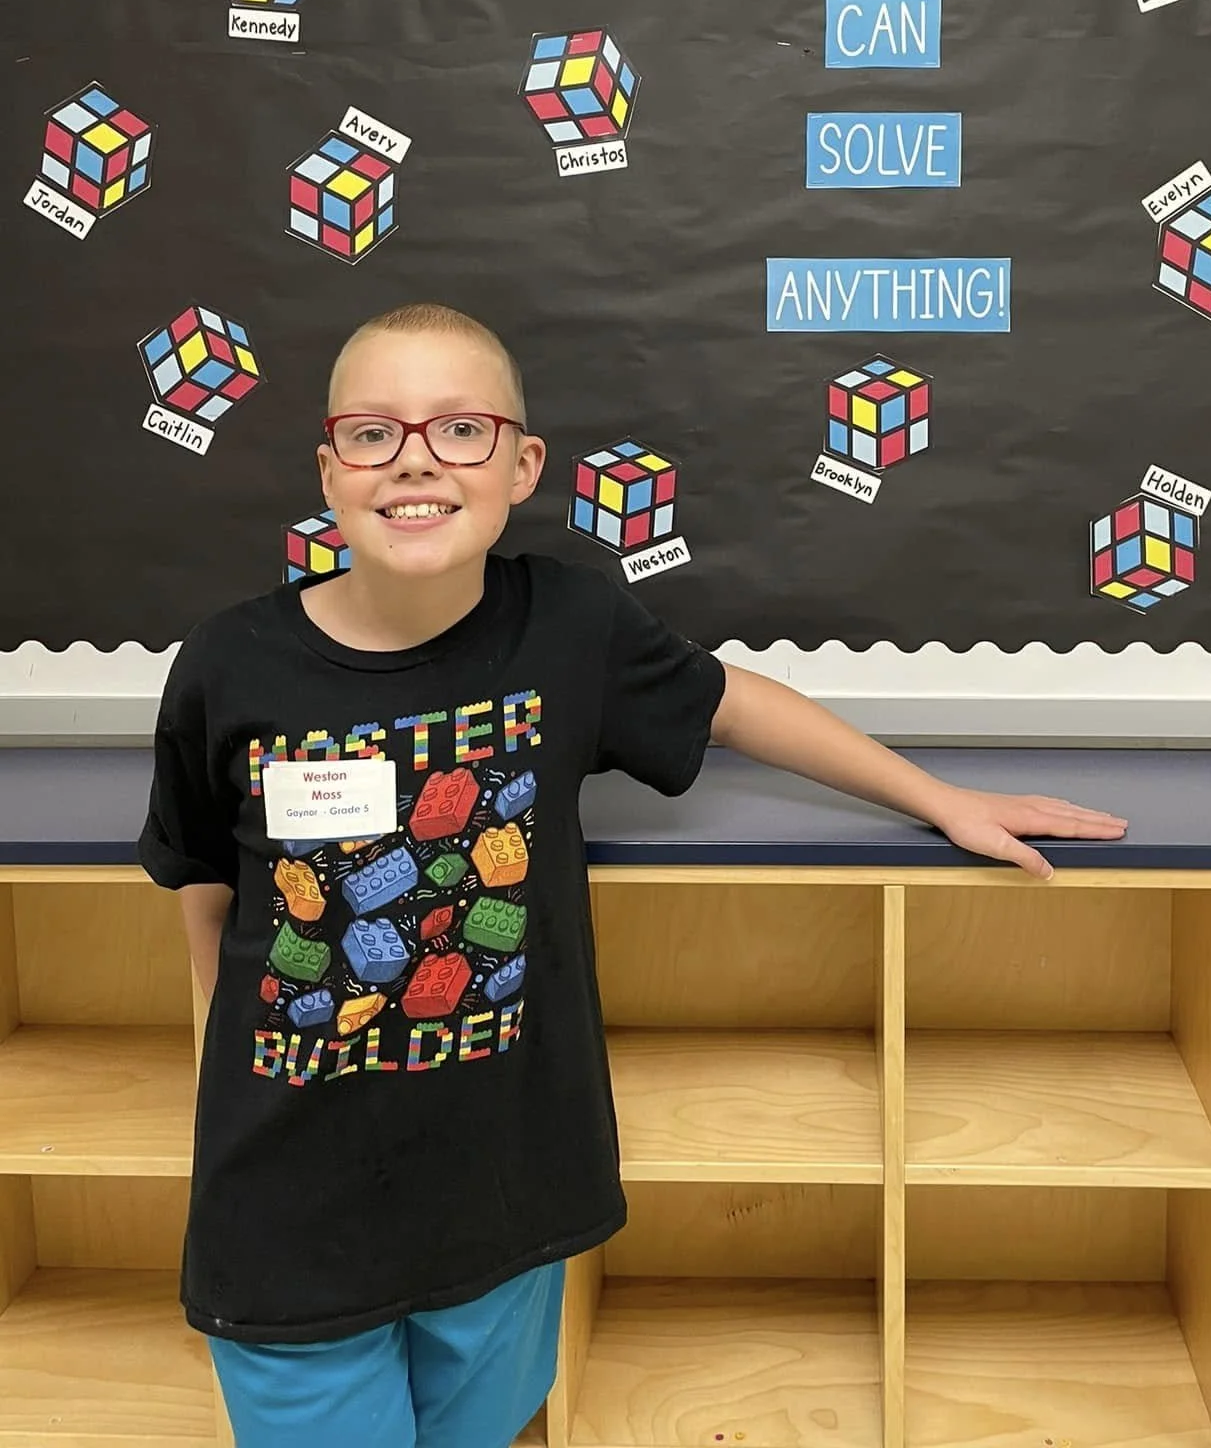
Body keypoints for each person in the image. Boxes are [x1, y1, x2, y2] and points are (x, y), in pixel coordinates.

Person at [138, 300, 1127, 1448]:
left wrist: (941, 797)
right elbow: (203, 878)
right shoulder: (227, 663)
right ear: (329, 465)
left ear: (521, 463)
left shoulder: (567, 623)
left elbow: (732, 702)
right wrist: (217, 1067)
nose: (415, 458)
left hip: (503, 1194)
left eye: (460, 429)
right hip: (287, 1206)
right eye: (374, 431)